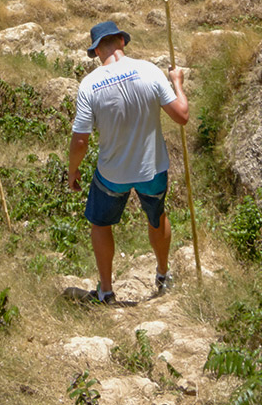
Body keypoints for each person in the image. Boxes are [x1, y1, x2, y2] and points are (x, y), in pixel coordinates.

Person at [67, 19, 188, 304]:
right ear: (122, 41)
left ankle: (107, 291)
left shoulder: (90, 85)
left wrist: (73, 171)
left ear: (97, 52)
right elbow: (182, 116)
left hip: (112, 173)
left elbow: (80, 140)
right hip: (152, 167)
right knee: (157, 216)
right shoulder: (149, 70)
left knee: (100, 223)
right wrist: (177, 83)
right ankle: (162, 274)